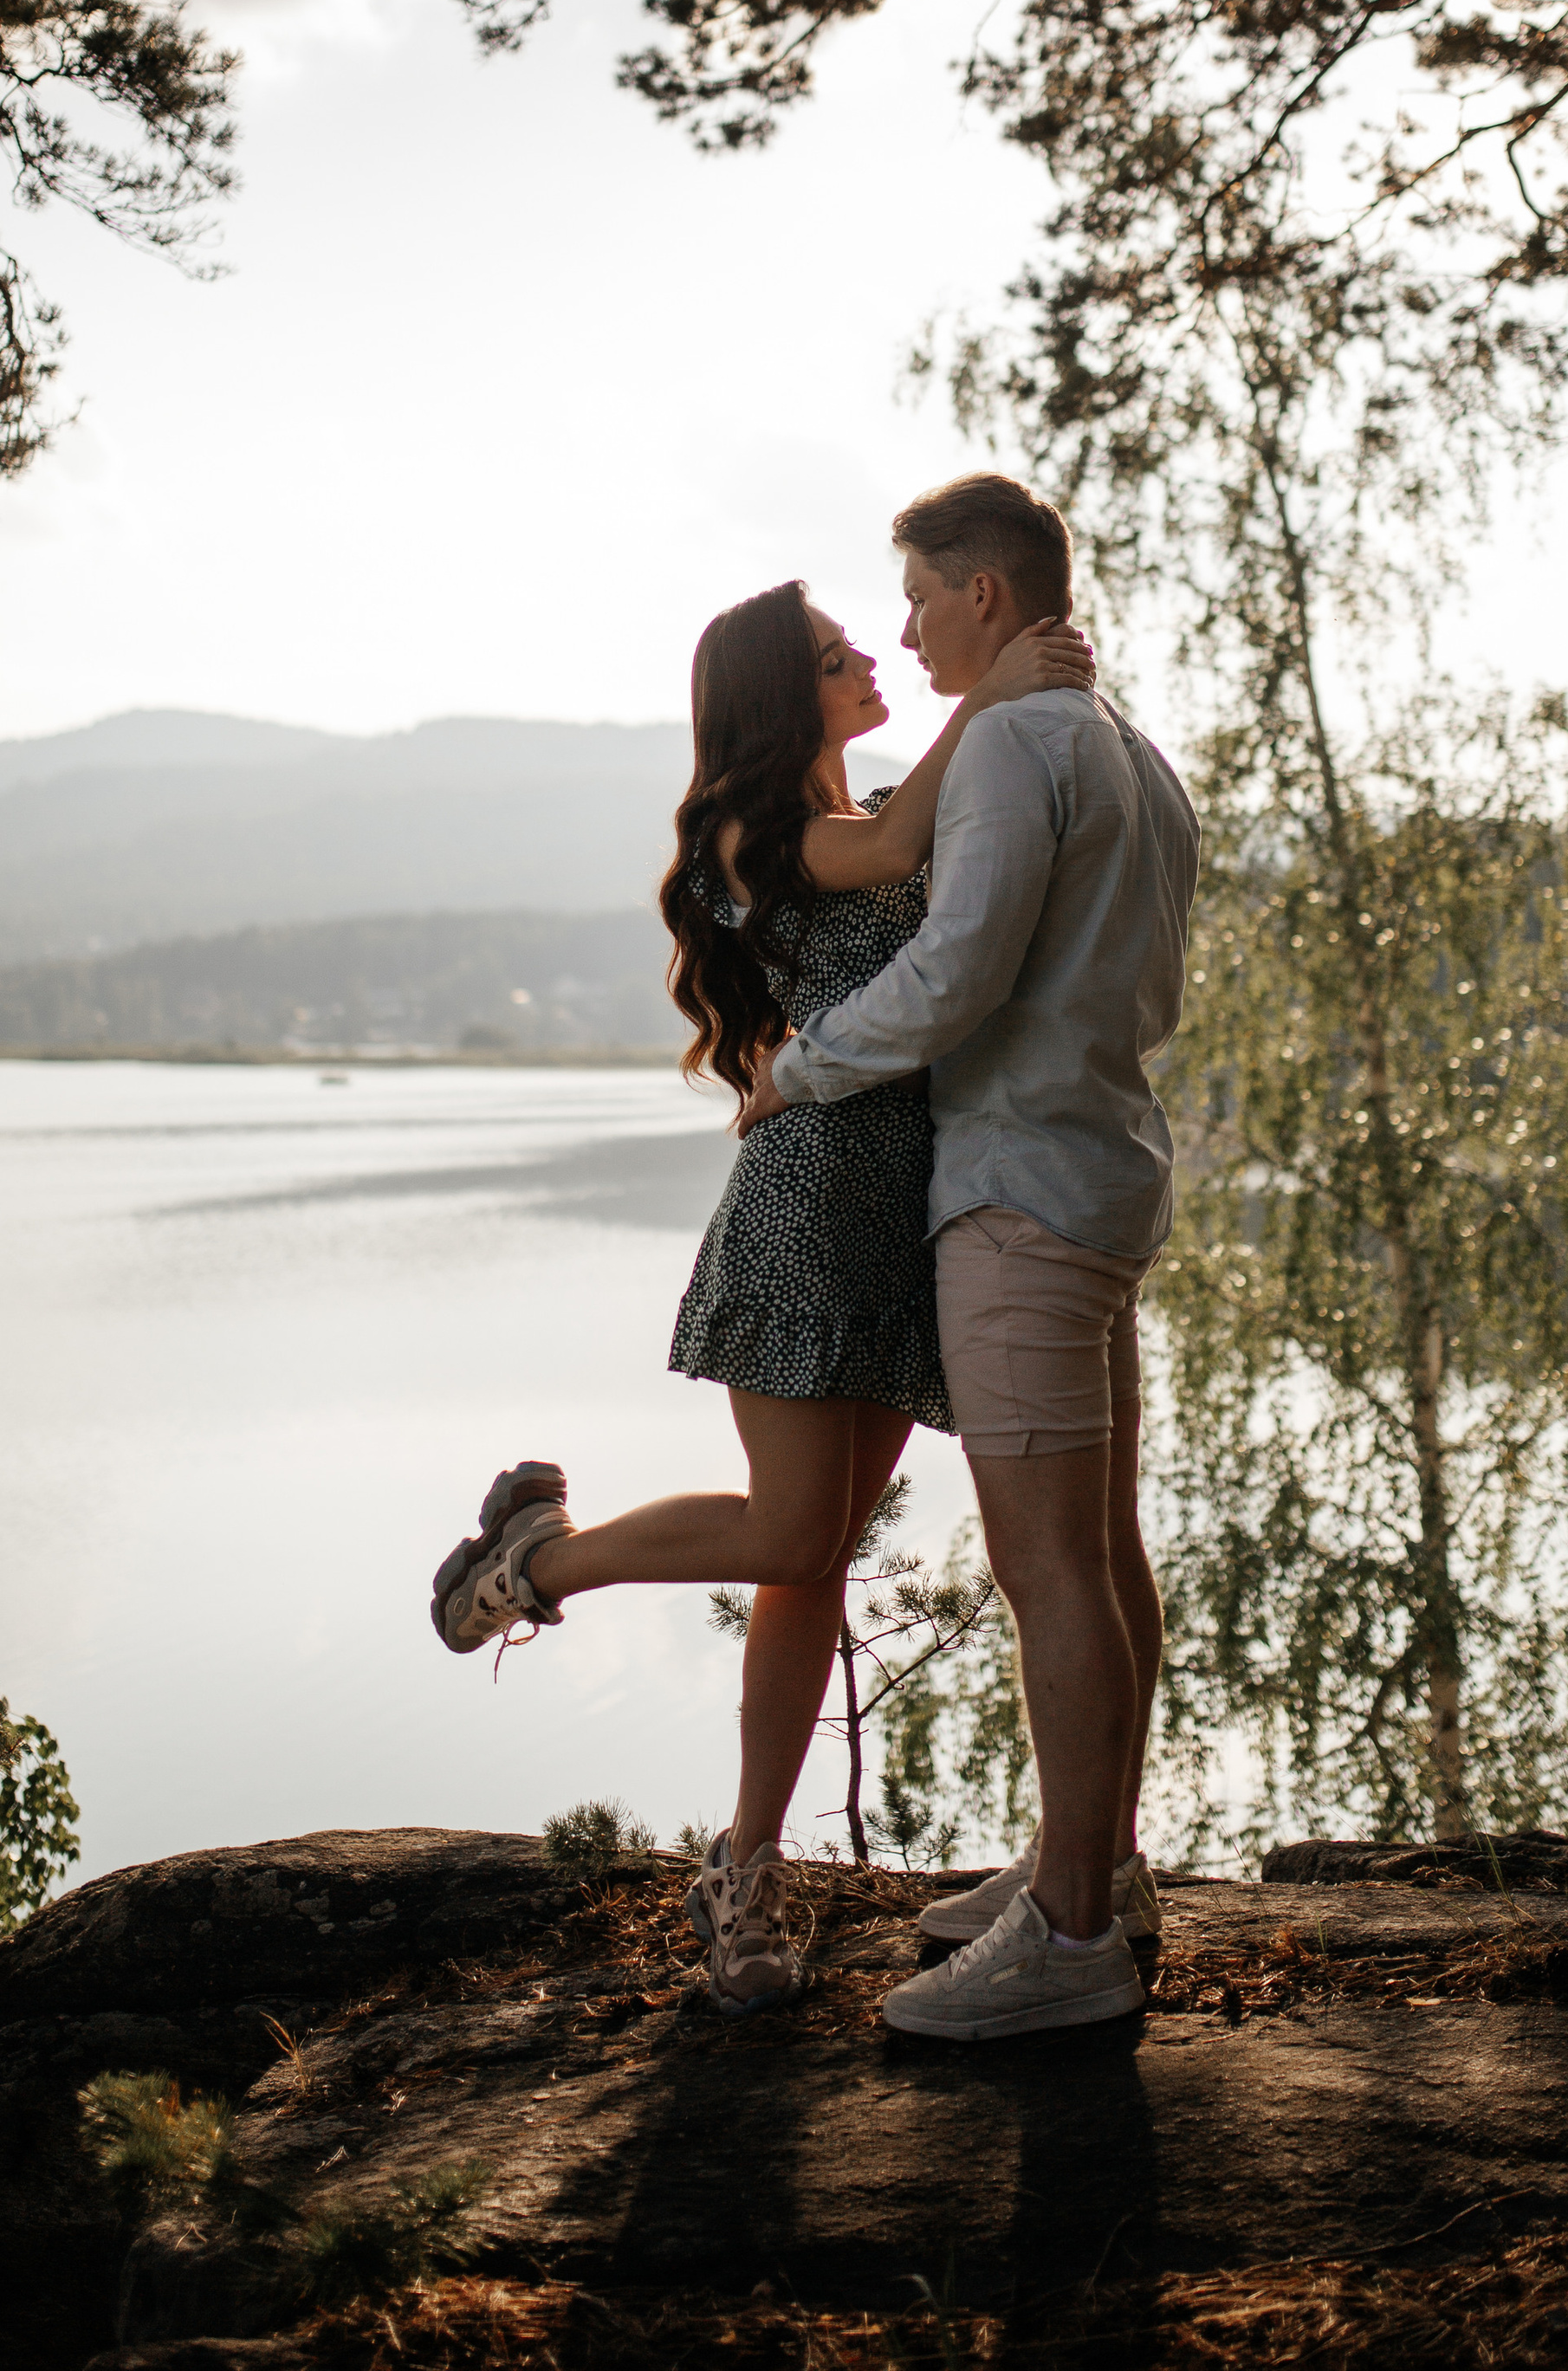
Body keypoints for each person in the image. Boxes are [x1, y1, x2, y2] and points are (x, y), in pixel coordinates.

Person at [428, 573, 1095, 2017]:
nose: (869, 656)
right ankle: (534, 1563)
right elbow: (910, 836)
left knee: (812, 1563)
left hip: (902, 1221)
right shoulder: (759, 830)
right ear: (772, 695)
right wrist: (1000, 680)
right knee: (795, 1530)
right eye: (833, 652)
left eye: (864, 640)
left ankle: (745, 1870)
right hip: (805, 1211)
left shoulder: (859, 825)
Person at [735, 471, 1199, 2044]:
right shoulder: (1128, 747)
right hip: (1107, 1170)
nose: (914, 628)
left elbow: (954, 970)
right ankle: (1094, 1871)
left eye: (925, 598)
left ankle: (1072, 1939)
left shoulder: (1012, 737)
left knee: (1047, 1566)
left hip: (1015, 1197)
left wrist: (795, 1073)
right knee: (1105, 1552)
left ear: (985, 596)